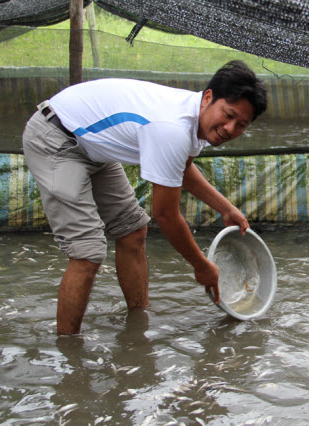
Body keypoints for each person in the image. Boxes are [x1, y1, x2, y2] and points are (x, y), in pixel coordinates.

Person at [22, 60, 268, 335]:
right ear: (208, 97)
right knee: (88, 252)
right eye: (228, 114)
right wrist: (202, 266)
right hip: (56, 137)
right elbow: (165, 215)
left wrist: (226, 208)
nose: (230, 128)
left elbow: (182, 170)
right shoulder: (172, 127)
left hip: (93, 144)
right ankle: (69, 352)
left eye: (241, 124)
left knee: (132, 228)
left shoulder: (195, 119)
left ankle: (138, 324)